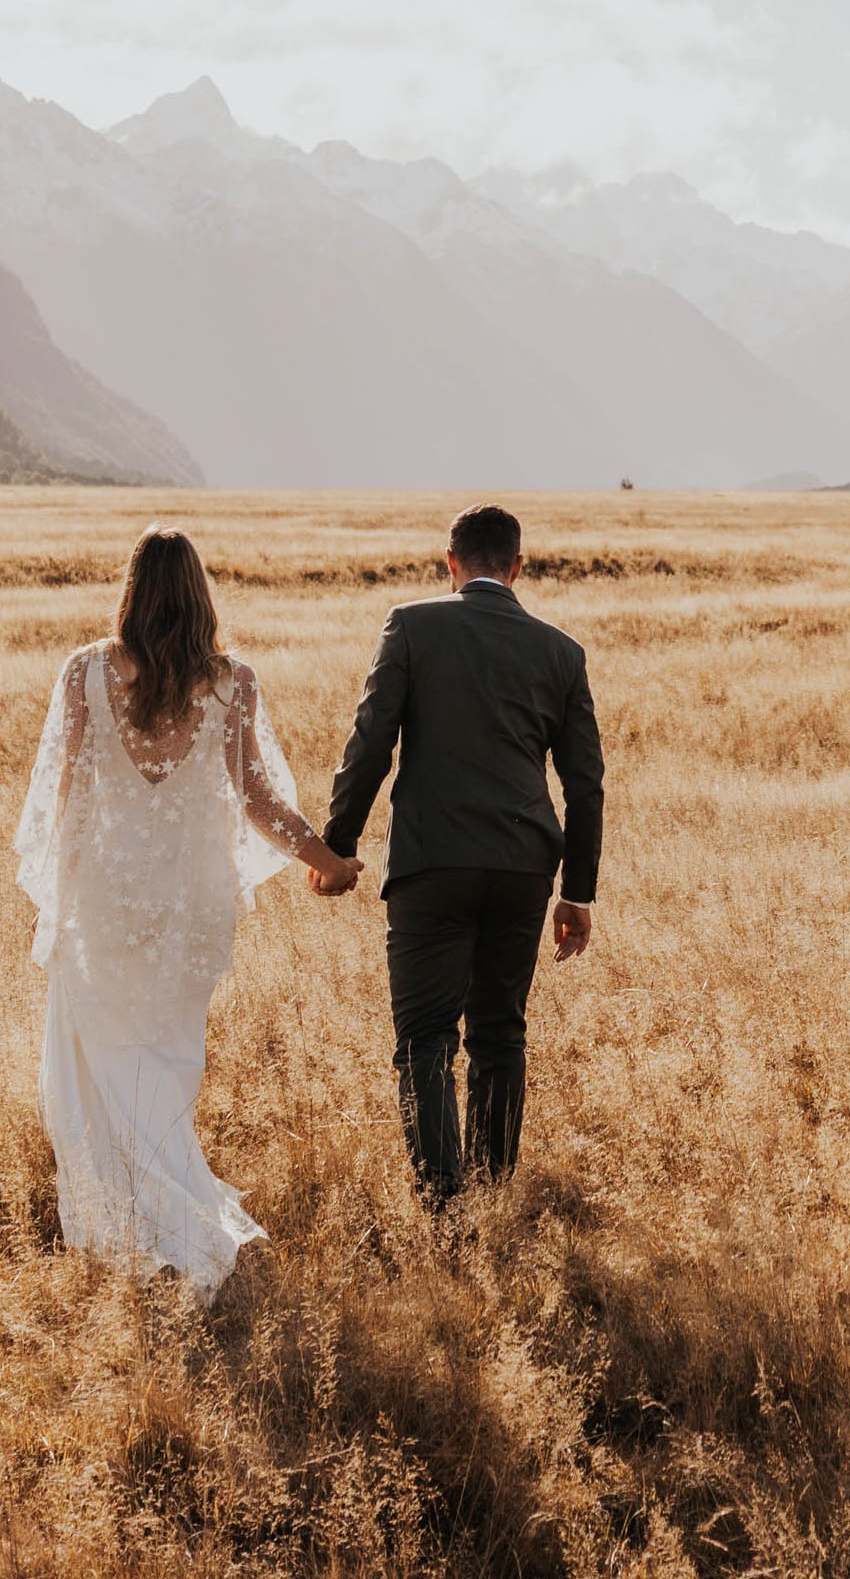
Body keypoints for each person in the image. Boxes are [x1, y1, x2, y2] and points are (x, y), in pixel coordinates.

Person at [15, 525, 360, 1292]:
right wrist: (327, 861)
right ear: (200, 595)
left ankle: (151, 1231)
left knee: (100, 1069)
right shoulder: (231, 682)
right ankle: (176, 1218)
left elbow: (64, 797)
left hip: (104, 902)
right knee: (164, 1067)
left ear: (132, 591)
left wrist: (55, 901)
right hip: (188, 909)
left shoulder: (84, 675)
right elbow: (259, 799)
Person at [318, 503, 604, 1206]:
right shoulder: (561, 652)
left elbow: (371, 743)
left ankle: (444, 1210)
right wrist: (578, 891)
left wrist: (338, 845)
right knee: (501, 1035)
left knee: (425, 1038)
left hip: (430, 864)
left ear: (451, 564)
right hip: (522, 869)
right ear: (517, 567)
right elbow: (585, 782)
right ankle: (492, 1193)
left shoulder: (412, 625)